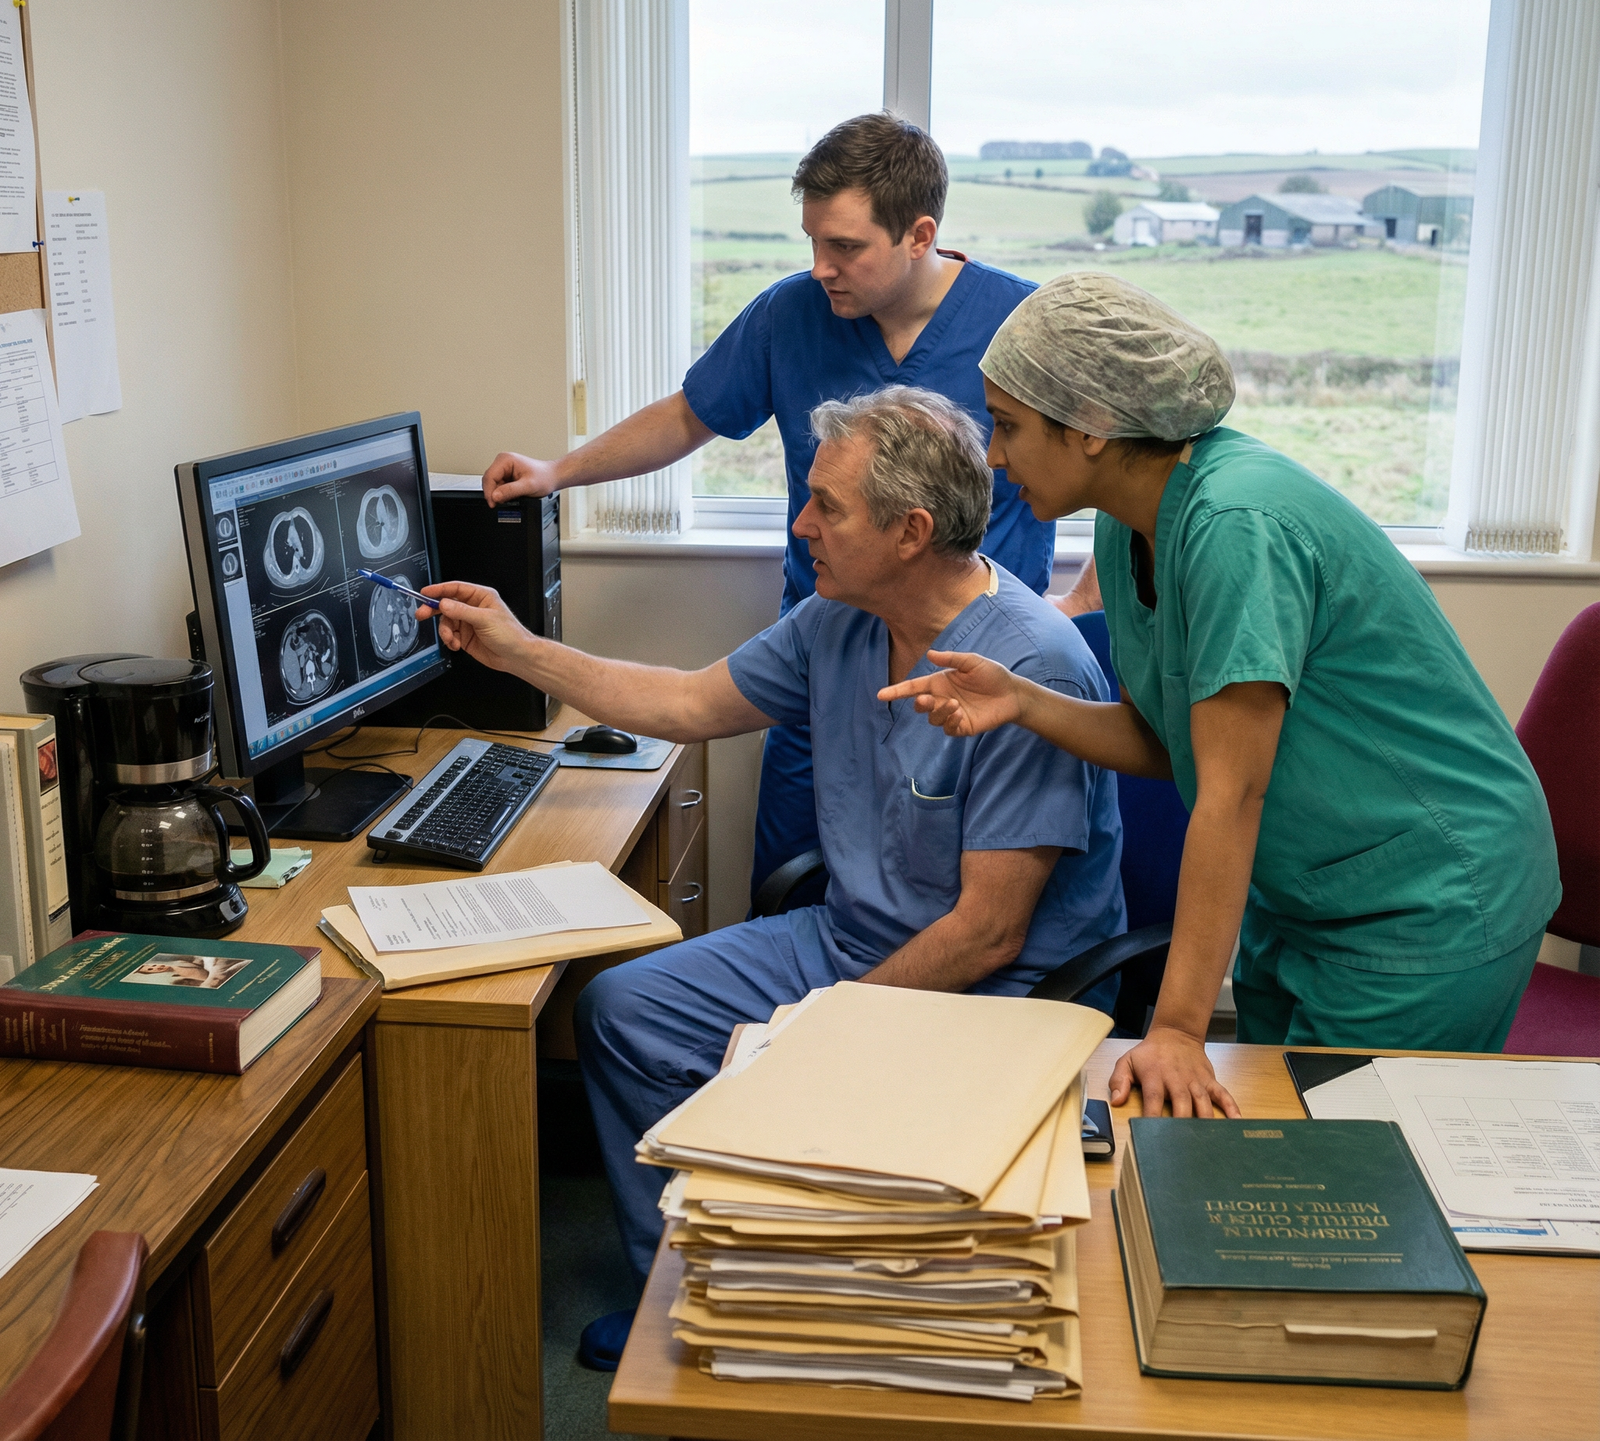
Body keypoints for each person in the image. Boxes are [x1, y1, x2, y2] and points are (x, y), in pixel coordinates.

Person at [430, 387, 1125, 1365]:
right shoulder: (834, 618)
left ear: (911, 530)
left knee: (796, 1073)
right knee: (623, 1011)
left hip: (991, 991)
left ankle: (801, 1298)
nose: (801, 526)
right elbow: (681, 700)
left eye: (826, 507)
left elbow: (987, 933)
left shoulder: (1028, 664)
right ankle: (685, 1284)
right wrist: (519, 651)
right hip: (847, 940)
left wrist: (815, 1036)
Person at [881, 272, 1560, 1121]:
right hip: (1310, 894)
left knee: (1355, 1179)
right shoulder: (1132, 524)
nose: (992, 454)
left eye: (1009, 425)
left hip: (1426, 900)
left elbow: (1231, 795)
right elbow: (1175, 748)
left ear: (1090, 426)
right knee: (1272, 1149)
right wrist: (1022, 699)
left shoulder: (1238, 525)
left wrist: (1174, 1027)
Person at [480, 113, 1058, 900]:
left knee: (955, 914)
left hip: (975, 670)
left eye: (845, 247)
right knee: (791, 892)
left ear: (920, 235)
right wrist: (559, 472)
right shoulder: (790, 315)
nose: (822, 267)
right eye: (813, 242)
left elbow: (1111, 471)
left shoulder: (1022, 331)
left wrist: (1072, 615)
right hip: (829, 661)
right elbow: (692, 414)